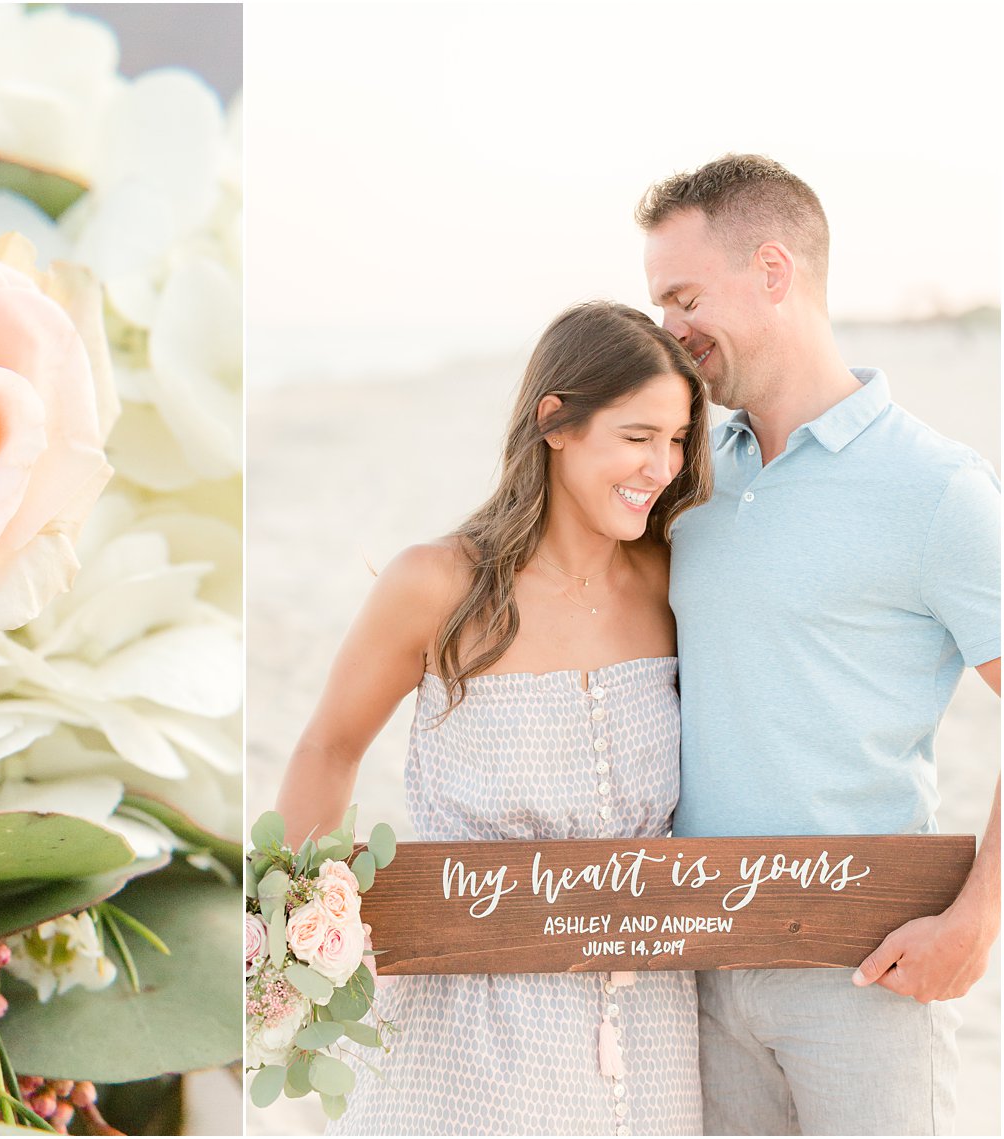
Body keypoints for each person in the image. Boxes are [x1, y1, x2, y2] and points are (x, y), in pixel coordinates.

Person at [274, 301, 712, 1136]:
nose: (662, 464)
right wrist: (294, 958)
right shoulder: (436, 584)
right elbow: (328, 747)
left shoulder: (673, 584)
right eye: (637, 435)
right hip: (462, 1031)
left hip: (648, 1026)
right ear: (555, 421)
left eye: (678, 438)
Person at [639, 153, 1001, 1136]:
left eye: (681, 295)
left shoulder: (936, 490)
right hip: (700, 969)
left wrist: (976, 916)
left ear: (769, 272)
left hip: (865, 972)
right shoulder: (683, 484)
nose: (667, 329)